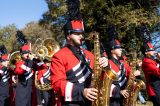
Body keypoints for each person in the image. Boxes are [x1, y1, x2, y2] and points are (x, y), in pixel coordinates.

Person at [141, 41, 160, 106]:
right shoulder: (146, 62)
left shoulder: (153, 60)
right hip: (154, 89)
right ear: (146, 53)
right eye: (151, 50)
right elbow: (158, 72)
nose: (154, 51)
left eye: (153, 50)